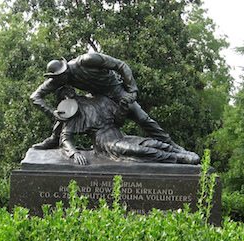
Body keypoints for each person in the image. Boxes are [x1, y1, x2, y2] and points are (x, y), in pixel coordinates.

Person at [30, 52, 187, 152]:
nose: (58, 82)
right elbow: (35, 97)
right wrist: (53, 113)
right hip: (99, 99)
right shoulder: (59, 79)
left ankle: (171, 145)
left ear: (65, 70)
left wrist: (132, 90)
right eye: (56, 79)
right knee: (68, 107)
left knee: (142, 118)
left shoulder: (87, 60)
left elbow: (121, 65)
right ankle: (55, 138)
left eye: (59, 78)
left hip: (116, 92)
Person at [54, 86, 200, 165]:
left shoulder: (101, 100)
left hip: (119, 135)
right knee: (139, 150)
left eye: (68, 90)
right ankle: (178, 159)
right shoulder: (74, 113)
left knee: (152, 143)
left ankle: (181, 153)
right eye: (64, 94)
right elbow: (66, 137)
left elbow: (118, 121)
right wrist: (74, 152)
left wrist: (123, 108)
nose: (68, 93)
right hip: (105, 142)